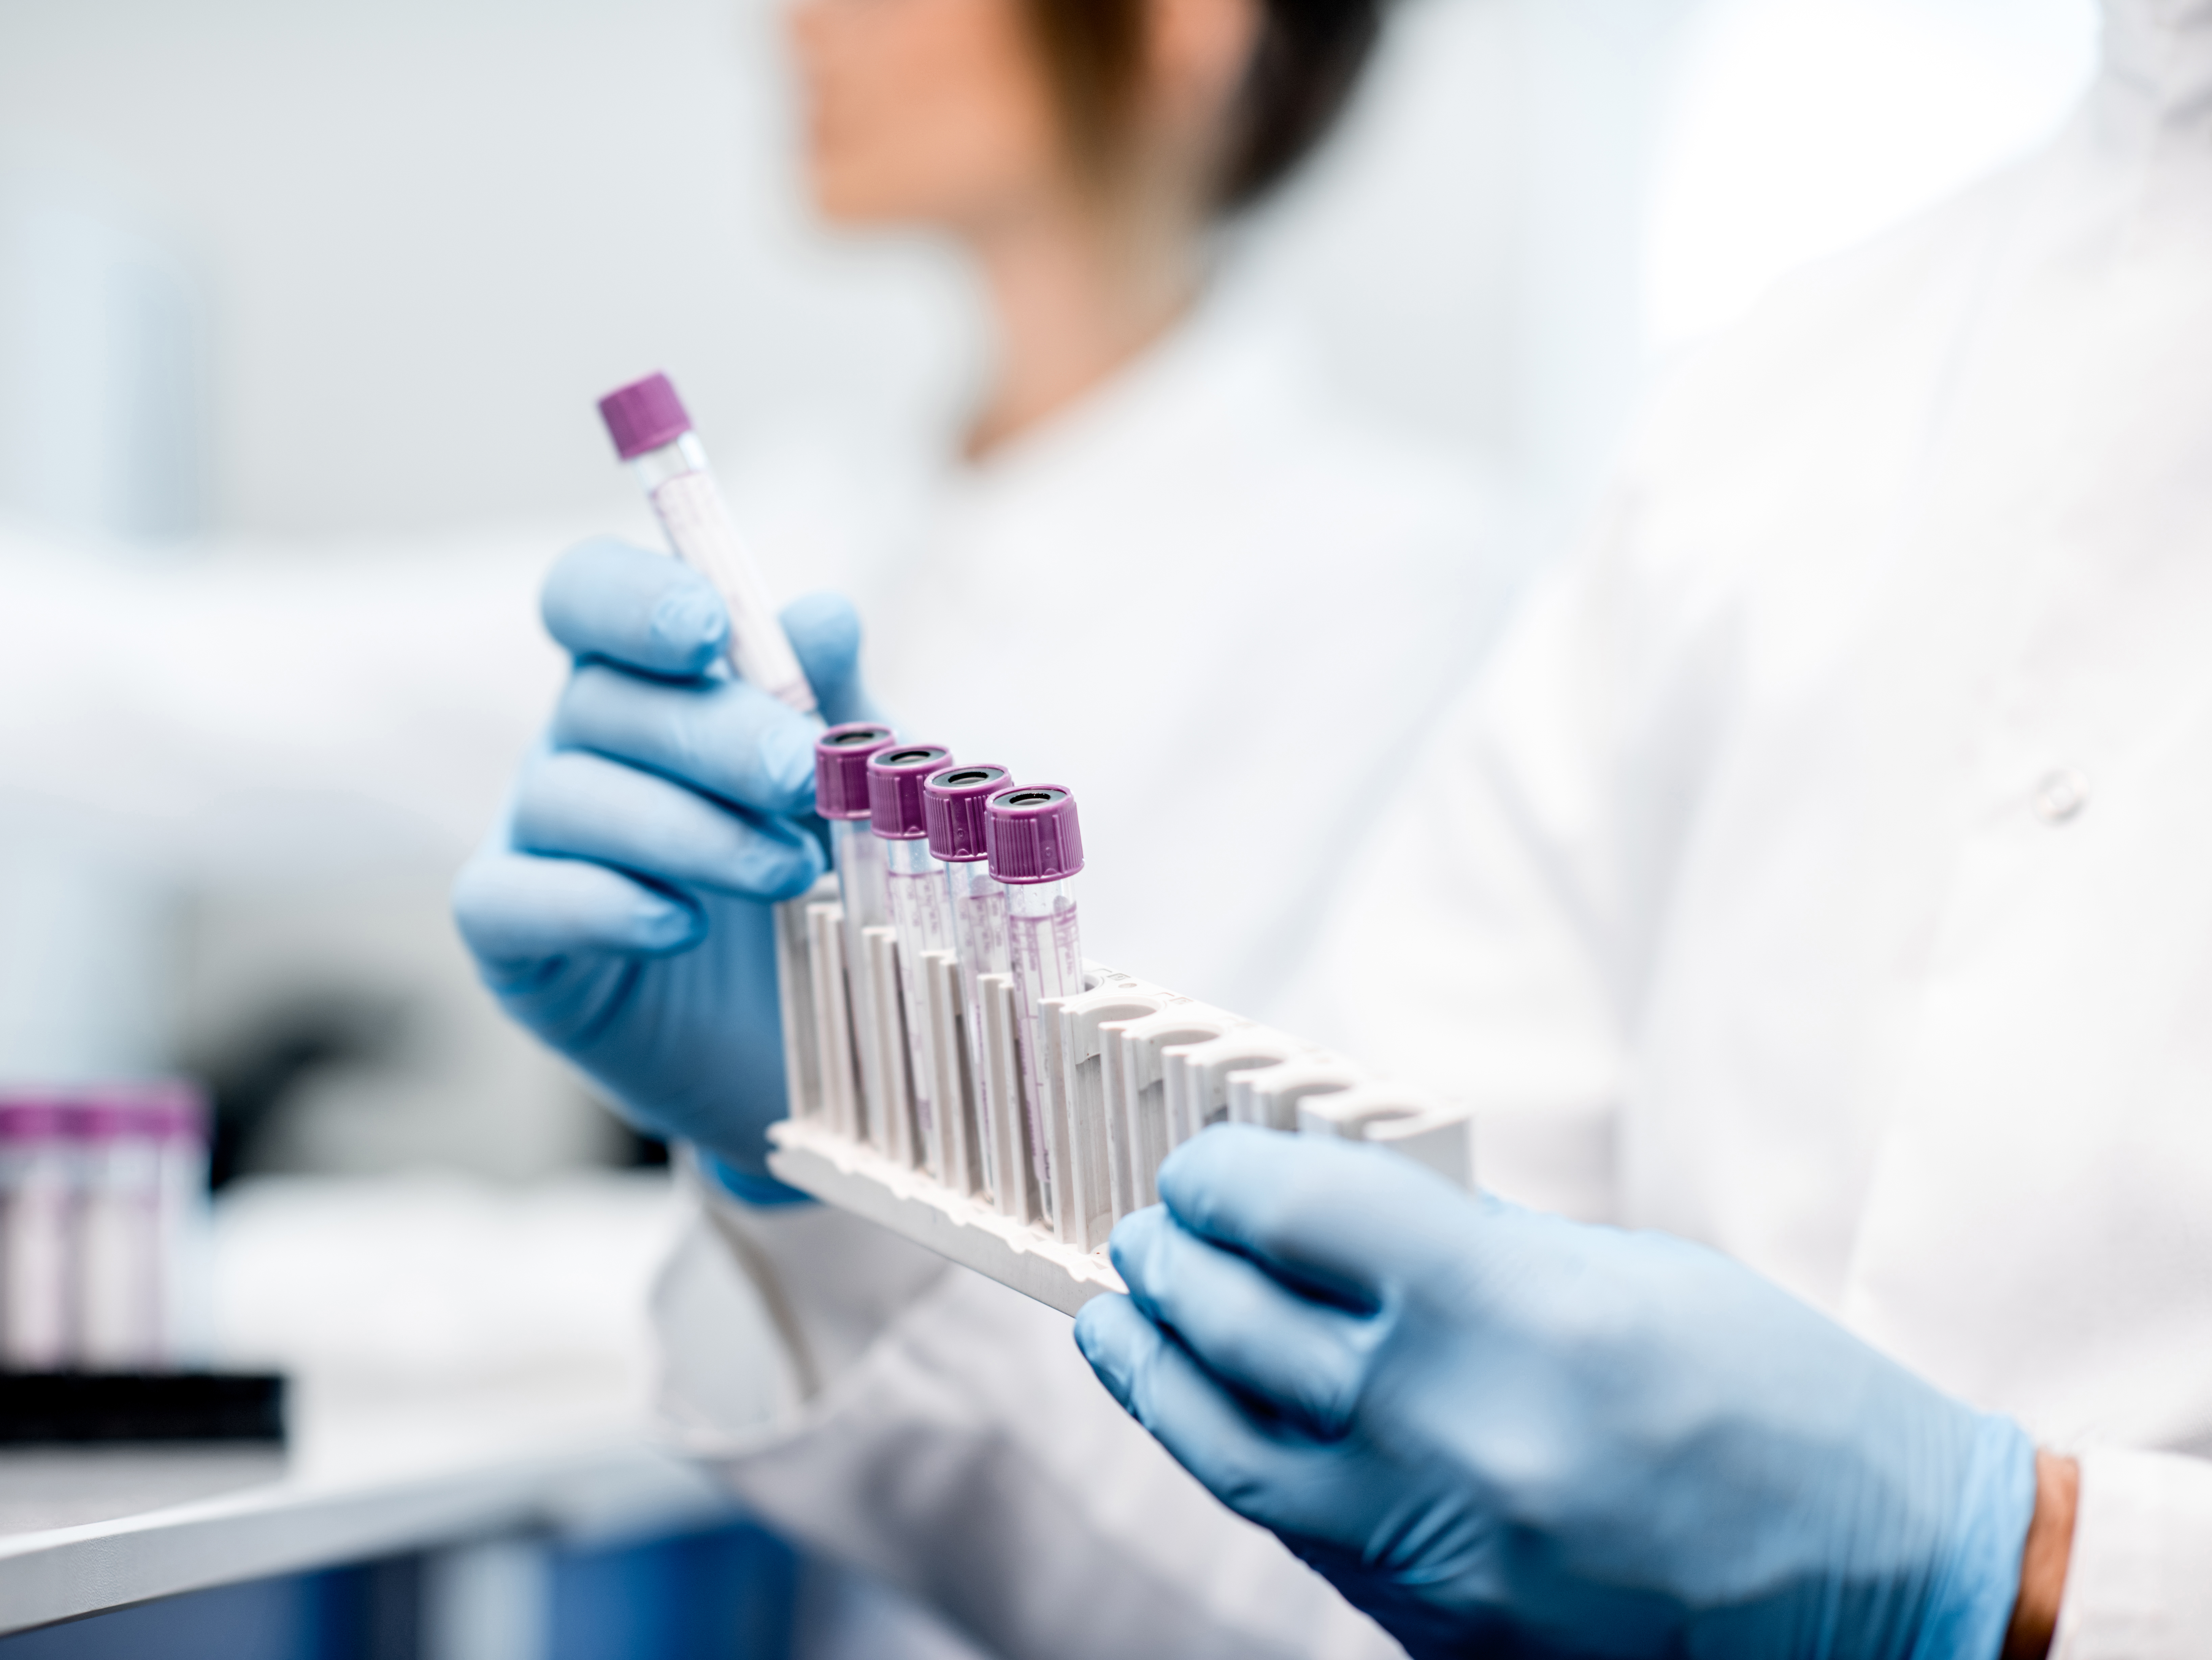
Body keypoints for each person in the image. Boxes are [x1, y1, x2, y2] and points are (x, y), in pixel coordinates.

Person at [464, 0, 2212, 1655]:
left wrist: (2048, 1569)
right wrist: (826, 1147)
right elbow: (1292, 1507)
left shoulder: (1389, 576)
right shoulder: (1757, 427)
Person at [744, 0, 1516, 1012]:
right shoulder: (812, 506)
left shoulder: (1396, 578)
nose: (801, 23)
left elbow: (1141, 1084)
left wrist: (758, 1071)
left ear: (1182, 25)